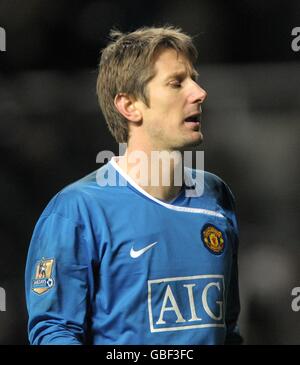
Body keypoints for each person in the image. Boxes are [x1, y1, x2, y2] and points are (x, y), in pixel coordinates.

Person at [25, 26, 243, 345]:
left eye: (194, 78)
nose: (199, 92)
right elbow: (55, 331)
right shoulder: (77, 210)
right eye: (176, 83)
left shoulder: (216, 196)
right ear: (129, 106)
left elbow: (227, 327)